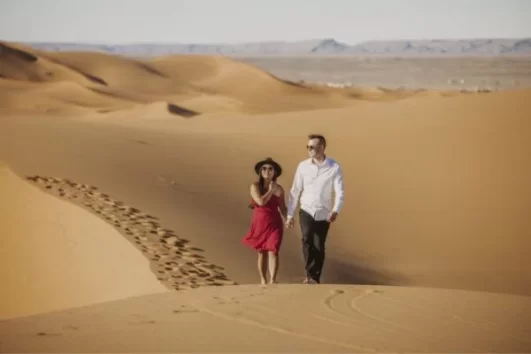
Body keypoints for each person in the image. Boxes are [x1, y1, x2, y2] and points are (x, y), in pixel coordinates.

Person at [285, 134, 344, 284]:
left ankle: (315, 277)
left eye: (312, 147)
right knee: (306, 239)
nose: (309, 149)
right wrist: (290, 215)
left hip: (324, 212)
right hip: (306, 209)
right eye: (308, 147)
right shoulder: (303, 166)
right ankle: (310, 275)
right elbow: (295, 190)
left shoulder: (334, 167)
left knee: (319, 245)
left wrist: (335, 210)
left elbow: (339, 191)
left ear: (322, 147)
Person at [242, 157, 287, 285]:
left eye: (270, 169)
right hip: (260, 222)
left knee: (274, 249)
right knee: (261, 252)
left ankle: (273, 280)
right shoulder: (254, 186)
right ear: (260, 172)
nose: (267, 171)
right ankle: (263, 280)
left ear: (275, 172)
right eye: (264, 169)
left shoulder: (280, 189)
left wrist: (288, 218)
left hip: (275, 223)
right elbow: (261, 202)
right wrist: (271, 191)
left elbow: (282, 207)